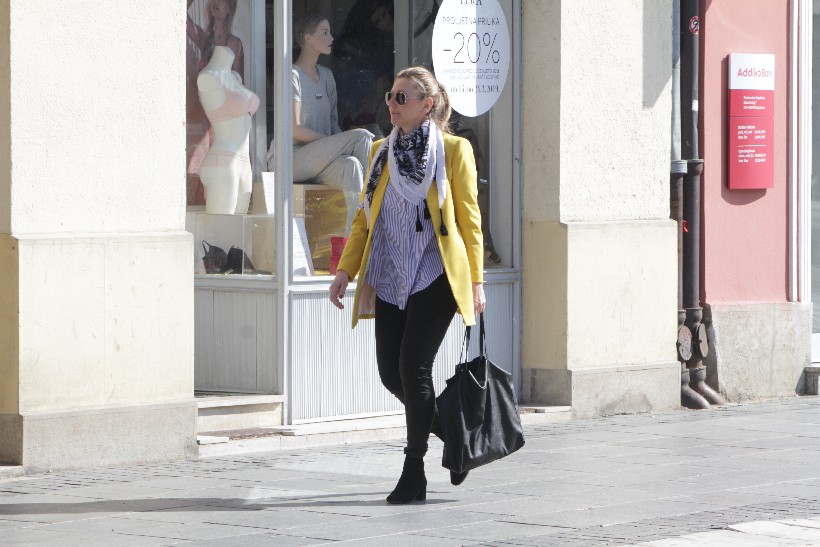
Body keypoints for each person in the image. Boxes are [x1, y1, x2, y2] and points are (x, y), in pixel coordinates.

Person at [329, 66, 486, 504]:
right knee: (389, 372)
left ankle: (413, 470)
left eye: (402, 97)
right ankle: (453, 435)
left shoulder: (453, 151)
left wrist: (476, 280)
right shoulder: (380, 152)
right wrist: (344, 271)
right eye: (391, 96)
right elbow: (363, 218)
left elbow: (470, 221)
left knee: (414, 367)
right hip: (390, 271)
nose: (392, 104)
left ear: (426, 105)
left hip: (435, 274)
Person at [291, 14, 373, 232]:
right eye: (324, 33)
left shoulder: (327, 76)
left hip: (323, 160)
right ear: (307, 37)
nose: (331, 38)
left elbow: (333, 124)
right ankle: (375, 209)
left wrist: (337, 143)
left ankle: (356, 236)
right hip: (293, 159)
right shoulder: (292, 75)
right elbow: (294, 129)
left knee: (351, 166)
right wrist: (335, 143)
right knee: (363, 136)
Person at [187, 0, 245, 206]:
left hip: (220, 119)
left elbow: (239, 84)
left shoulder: (234, 43)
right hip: (200, 114)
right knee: (199, 166)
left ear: (230, 8)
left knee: (215, 168)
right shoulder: (206, 39)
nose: (217, 3)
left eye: (223, 1)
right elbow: (181, 17)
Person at [197, 46, 259, 214]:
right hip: (222, 160)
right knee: (221, 227)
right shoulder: (208, 77)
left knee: (239, 226)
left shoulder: (235, 77)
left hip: (244, 161)